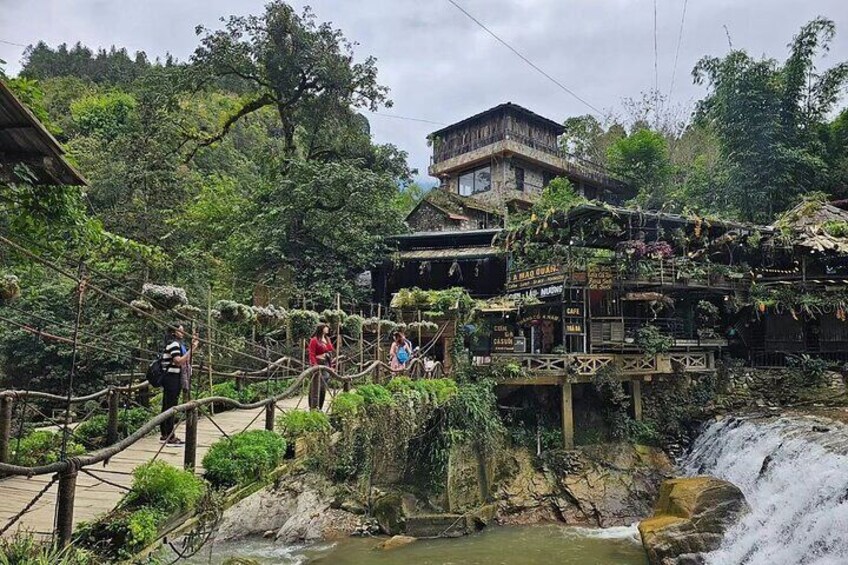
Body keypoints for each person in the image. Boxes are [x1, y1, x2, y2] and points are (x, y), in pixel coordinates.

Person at [160, 324, 198, 445]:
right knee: (171, 407)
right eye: (180, 331)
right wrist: (192, 349)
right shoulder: (174, 345)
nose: (183, 332)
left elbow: (184, 359)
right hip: (172, 378)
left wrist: (192, 348)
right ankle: (170, 436)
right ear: (174, 332)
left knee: (167, 405)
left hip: (172, 378)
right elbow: (178, 361)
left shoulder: (176, 344)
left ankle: (165, 434)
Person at [308, 323, 334, 410]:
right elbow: (311, 354)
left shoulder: (327, 339)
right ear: (321, 329)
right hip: (318, 363)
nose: (327, 329)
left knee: (323, 387)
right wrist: (315, 365)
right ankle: (313, 407)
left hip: (326, 363)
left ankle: (320, 407)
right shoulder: (314, 340)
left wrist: (331, 365)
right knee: (315, 386)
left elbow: (330, 350)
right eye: (326, 327)